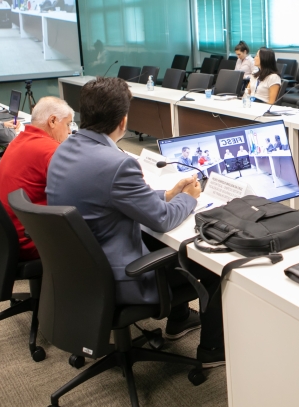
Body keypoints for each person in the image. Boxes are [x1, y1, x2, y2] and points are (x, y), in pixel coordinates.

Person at [46, 77, 225, 366]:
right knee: (212, 264)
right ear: (123, 121)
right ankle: (213, 351)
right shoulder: (117, 163)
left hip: (80, 271)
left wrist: (168, 193)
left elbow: (111, 196)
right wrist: (189, 198)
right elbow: (163, 220)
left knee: (156, 242)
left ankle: (180, 320)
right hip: (119, 277)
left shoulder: (65, 149)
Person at [0, 97, 74, 261]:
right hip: (31, 239)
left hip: (6, 234)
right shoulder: (50, 150)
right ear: (52, 121)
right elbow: (76, 196)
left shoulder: (19, 140)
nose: (69, 131)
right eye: (67, 124)